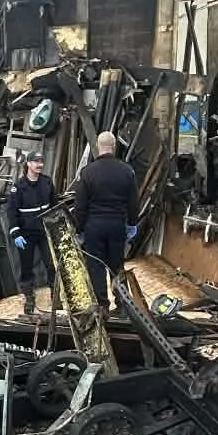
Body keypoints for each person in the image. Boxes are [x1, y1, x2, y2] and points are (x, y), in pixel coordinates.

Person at [73, 130, 140, 309]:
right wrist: (132, 224)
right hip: (117, 225)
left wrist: (78, 229)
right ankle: (122, 303)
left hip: (94, 226)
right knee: (117, 265)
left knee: (96, 267)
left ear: (98, 147)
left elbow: (80, 205)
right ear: (114, 147)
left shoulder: (87, 172)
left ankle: (102, 306)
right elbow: (133, 202)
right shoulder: (127, 171)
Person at [6, 148, 57, 315]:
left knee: (51, 265)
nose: (40, 165)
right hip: (26, 235)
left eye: (41, 162)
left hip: (44, 233)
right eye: (36, 161)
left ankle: (56, 298)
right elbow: (11, 212)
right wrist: (16, 233)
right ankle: (29, 299)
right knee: (27, 268)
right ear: (28, 164)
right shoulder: (18, 187)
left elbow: (55, 206)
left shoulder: (47, 182)